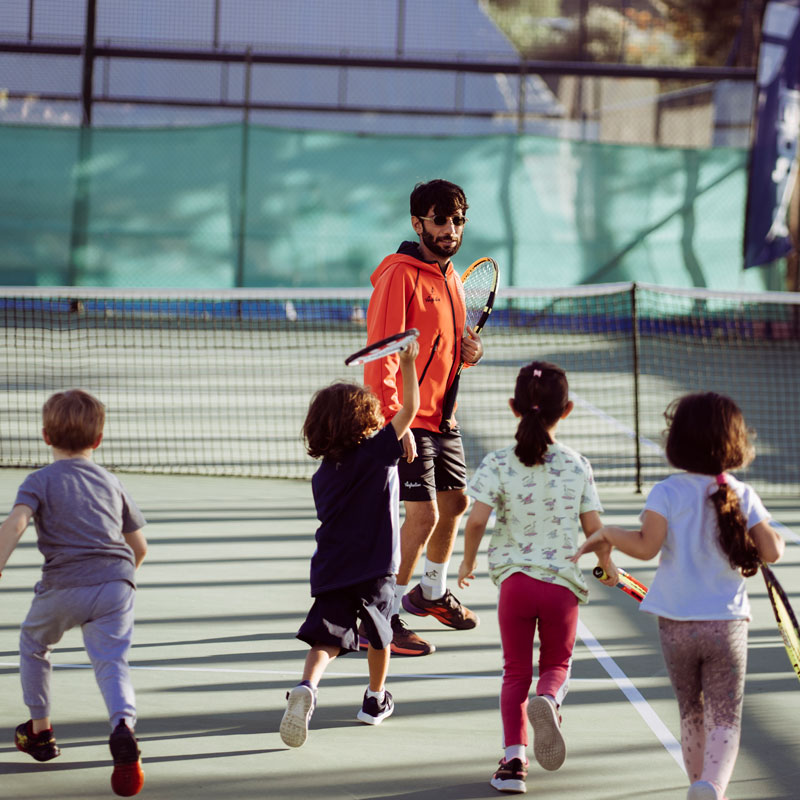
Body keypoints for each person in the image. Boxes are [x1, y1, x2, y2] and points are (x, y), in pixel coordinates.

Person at [572, 392, 785, 800]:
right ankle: (712, 788)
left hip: (674, 625)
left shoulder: (666, 492)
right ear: (735, 443)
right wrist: (769, 534)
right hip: (726, 625)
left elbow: (646, 546)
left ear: (678, 442)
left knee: (692, 710)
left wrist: (607, 534)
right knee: (726, 717)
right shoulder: (741, 493)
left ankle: (696, 786)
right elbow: (772, 552)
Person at [457, 361, 618, 794]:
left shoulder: (497, 463)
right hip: (561, 586)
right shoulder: (577, 465)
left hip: (515, 585)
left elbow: (475, 522)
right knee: (556, 665)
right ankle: (547, 700)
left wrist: (469, 562)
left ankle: (513, 763)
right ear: (565, 411)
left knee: (514, 673)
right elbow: (595, 530)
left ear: (514, 407)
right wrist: (610, 566)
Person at [0, 389, 148, 797]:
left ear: (46, 437)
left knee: (33, 642)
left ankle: (41, 732)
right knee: (112, 661)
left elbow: (15, 524)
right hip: (117, 583)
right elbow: (140, 548)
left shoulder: (39, 481)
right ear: (98, 440)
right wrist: (118, 583)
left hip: (64, 585)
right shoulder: (111, 482)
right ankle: (122, 725)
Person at [363, 178, 484, 657]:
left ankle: (428, 593)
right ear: (417, 223)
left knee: (455, 506)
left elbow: (447, 347)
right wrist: (395, 421)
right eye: (440, 220)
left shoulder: (451, 276)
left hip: (443, 417)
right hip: (408, 419)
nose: (451, 229)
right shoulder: (400, 275)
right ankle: (384, 616)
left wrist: (472, 351)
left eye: (457, 220)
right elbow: (382, 353)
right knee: (424, 513)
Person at [279, 338, 420, 748]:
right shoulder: (376, 454)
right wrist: (406, 362)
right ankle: (375, 700)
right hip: (376, 567)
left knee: (326, 638)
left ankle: (307, 686)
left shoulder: (323, 475)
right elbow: (409, 408)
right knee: (379, 636)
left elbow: (398, 426)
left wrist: (398, 436)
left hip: (333, 565)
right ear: (366, 422)